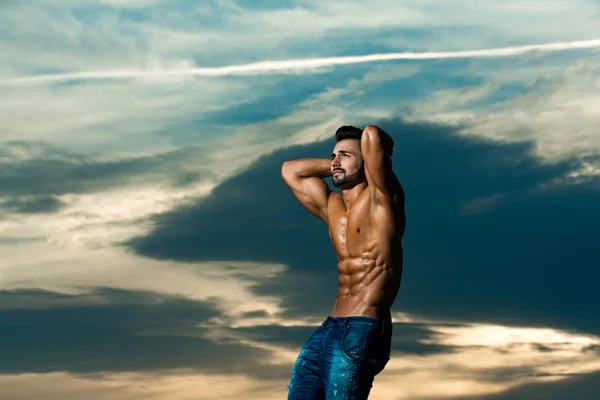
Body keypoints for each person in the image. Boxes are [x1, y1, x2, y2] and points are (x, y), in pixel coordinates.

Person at [281, 125, 406, 399]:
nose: (335, 161)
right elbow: (290, 170)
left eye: (345, 155)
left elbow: (372, 135)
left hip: (362, 328)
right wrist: (339, 164)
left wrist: (362, 156)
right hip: (330, 327)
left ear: (369, 161)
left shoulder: (383, 202)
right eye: (332, 155)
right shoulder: (332, 207)